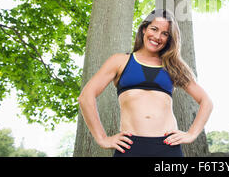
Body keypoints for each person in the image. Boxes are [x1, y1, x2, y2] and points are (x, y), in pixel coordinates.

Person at [78, 9, 213, 157]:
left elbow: (206, 101)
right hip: (130, 147)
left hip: (167, 147)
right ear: (144, 29)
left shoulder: (173, 66)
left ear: (170, 39)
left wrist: (191, 134)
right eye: (154, 29)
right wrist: (102, 138)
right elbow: (86, 96)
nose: (157, 36)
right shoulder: (120, 61)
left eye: (165, 33)